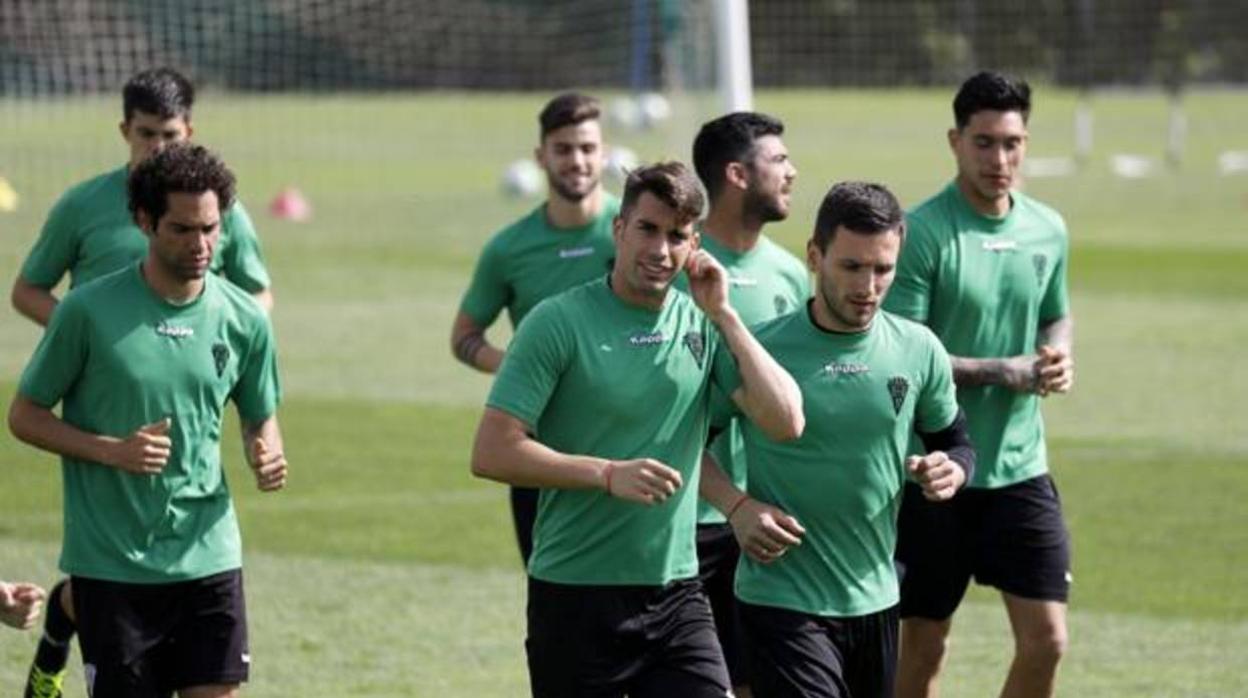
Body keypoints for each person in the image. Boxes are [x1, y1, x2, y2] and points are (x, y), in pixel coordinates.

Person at [470, 161, 804, 697]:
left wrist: (725, 315)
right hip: (576, 594)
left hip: (676, 593)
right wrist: (606, 474)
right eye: (647, 229)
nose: (660, 249)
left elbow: (785, 420)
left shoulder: (701, 321)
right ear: (619, 229)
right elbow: (491, 451)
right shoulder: (557, 323)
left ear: (694, 245)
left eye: (677, 236)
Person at [10, 66, 275, 698]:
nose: (202, 242)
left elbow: (258, 388)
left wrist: (264, 440)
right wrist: (104, 347)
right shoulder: (86, 270)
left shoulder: (235, 309)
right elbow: (24, 396)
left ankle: (65, 613)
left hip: (208, 550)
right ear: (144, 223)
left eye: (211, 230)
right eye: (184, 231)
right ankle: (67, 617)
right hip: (114, 547)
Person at [700, 181, 974, 698]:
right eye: (851, 267)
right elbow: (686, 446)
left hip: (875, 597)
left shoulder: (918, 350)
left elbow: (957, 442)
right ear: (814, 256)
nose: (868, 285)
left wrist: (951, 470)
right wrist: (736, 507)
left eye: (882, 269)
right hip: (780, 597)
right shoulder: (762, 351)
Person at [884, 72, 1074, 698]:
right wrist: (1006, 371)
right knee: (923, 652)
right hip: (937, 472)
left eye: (1013, 143)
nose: (1001, 160)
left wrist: (1058, 352)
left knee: (1047, 641)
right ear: (955, 141)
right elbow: (909, 354)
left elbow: (1055, 309)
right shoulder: (924, 233)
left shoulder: (1048, 227)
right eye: (985, 143)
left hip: (1021, 469)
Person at [451, 91, 620, 564]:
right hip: (539, 455)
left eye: (587, 148)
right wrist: (521, 367)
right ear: (540, 156)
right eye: (563, 149)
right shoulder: (509, 248)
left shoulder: (639, 234)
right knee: (554, 600)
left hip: (629, 442)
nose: (577, 161)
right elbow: (464, 337)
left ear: (604, 154)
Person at [686, 111, 808, 696]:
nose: (792, 172)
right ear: (737, 174)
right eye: (779, 161)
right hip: (681, 520)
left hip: (768, 521)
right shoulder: (678, 270)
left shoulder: (790, 274)